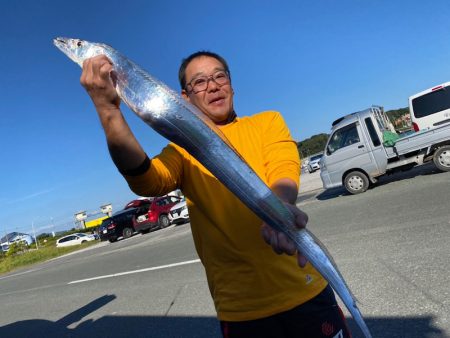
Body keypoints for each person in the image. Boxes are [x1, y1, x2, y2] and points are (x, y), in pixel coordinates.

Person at [80, 51, 351, 338]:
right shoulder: (182, 152)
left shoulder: (267, 122)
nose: (212, 85)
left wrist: (279, 210)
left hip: (306, 290)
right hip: (241, 310)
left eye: (219, 76)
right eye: (199, 82)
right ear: (184, 98)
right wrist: (108, 112)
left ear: (231, 84)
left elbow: (283, 169)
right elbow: (146, 181)